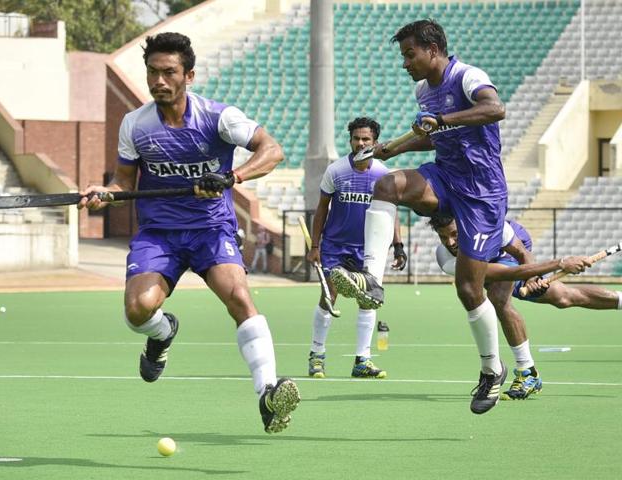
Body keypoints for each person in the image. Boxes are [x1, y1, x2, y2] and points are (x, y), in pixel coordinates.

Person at [77, 32, 299, 434]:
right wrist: (103, 194)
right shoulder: (136, 125)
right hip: (159, 233)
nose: (159, 81)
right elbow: (124, 182)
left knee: (239, 297)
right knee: (137, 309)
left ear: (189, 75)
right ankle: (162, 334)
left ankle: (267, 393)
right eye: (152, 73)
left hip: (211, 229)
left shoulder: (219, 118)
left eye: (169, 73)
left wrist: (232, 176)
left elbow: (272, 150)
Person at [330, 19, 511, 414]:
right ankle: (371, 281)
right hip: (445, 176)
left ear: (432, 49)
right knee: (386, 186)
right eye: (403, 56)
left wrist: (443, 120)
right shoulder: (421, 90)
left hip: (482, 194)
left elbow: (495, 109)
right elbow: (434, 136)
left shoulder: (467, 77)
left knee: (468, 290)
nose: (405, 63)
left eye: (409, 54)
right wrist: (395, 149)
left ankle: (491, 369)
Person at [429, 215, 608, 399]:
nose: (450, 242)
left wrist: (539, 273)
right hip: (490, 263)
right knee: (562, 298)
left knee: (498, 299)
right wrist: (555, 266)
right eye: (443, 237)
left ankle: (527, 372)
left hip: (511, 248)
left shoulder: (491, 226)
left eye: (455, 234)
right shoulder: (446, 259)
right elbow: (504, 273)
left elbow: (522, 254)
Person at [306, 117, 407, 379]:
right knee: (329, 296)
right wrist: (315, 245)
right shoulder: (336, 171)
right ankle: (317, 356)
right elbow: (321, 209)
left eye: (366, 139)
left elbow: (391, 213)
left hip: (369, 248)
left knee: (369, 301)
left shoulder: (383, 174)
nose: (360, 143)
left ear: (375, 142)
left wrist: (398, 245)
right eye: (356, 138)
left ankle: (362, 360)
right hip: (336, 246)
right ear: (350, 140)